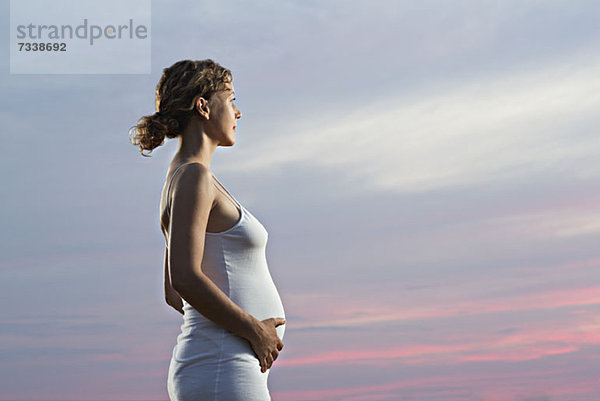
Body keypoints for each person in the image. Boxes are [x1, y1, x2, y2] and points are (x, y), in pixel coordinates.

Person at [129, 59, 286, 401]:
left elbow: (174, 293)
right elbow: (183, 279)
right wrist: (254, 330)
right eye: (231, 99)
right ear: (203, 106)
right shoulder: (193, 178)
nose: (238, 113)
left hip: (224, 362)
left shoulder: (185, 177)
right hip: (221, 366)